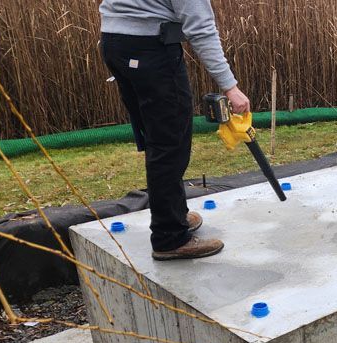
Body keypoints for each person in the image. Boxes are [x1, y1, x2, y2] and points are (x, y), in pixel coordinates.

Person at [98, 0, 250, 260]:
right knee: (169, 144)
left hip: (114, 44)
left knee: (158, 137)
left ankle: (174, 215)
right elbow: (201, 28)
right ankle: (170, 237)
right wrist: (230, 87)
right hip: (150, 51)